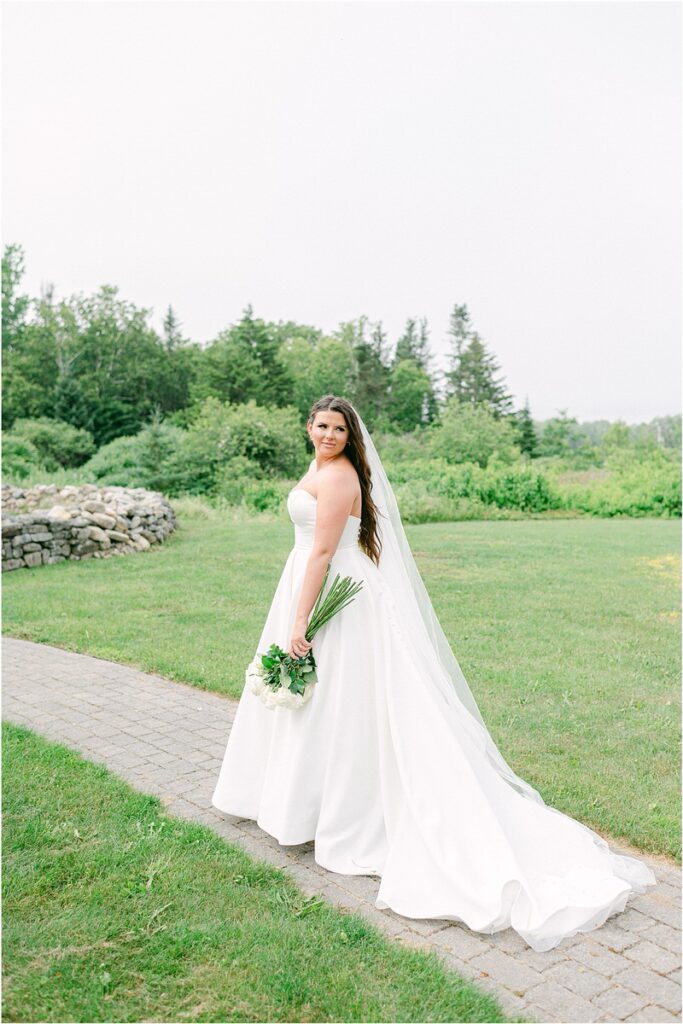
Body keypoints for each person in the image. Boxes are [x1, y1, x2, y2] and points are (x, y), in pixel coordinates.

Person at [211, 393, 657, 952]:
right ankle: (302, 804)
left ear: (351, 437)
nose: (328, 435)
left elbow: (323, 552)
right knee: (326, 703)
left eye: (338, 430)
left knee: (347, 703)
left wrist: (301, 621)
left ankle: (346, 813)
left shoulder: (340, 475)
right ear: (308, 426)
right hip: (315, 583)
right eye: (321, 426)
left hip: (332, 592)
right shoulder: (319, 466)